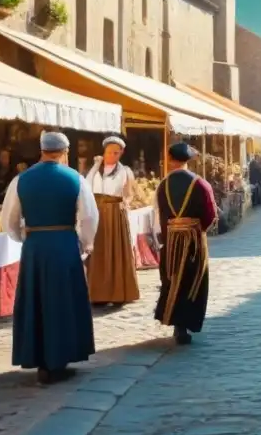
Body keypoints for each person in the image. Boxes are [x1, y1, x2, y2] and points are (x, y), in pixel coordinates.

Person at [1, 131, 97, 385]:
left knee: (37, 301)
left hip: (35, 246)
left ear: (41, 150)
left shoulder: (21, 180)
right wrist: (86, 243)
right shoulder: (75, 178)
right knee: (63, 300)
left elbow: (9, 220)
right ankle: (60, 358)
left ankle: (40, 359)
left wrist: (25, 238)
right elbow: (89, 217)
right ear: (65, 152)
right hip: (64, 244)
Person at [155, 143, 217, 345]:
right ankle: (187, 322)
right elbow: (210, 214)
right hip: (193, 238)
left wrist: (167, 235)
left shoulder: (163, 185)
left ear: (171, 160)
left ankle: (176, 324)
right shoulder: (200, 184)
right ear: (188, 161)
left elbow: (161, 215)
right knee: (192, 279)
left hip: (172, 237)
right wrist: (199, 231)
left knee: (172, 279)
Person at [84, 136, 140, 306]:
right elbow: (85, 185)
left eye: (116, 153)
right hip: (96, 210)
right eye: (109, 152)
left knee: (115, 251)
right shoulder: (94, 169)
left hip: (115, 212)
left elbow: (130, 193)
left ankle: (119, 293)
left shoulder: (125, 171)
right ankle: (96, 293)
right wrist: (95, 165)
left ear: (121, 153)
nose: (112, 155)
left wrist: (126, 202)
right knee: (97, 250)